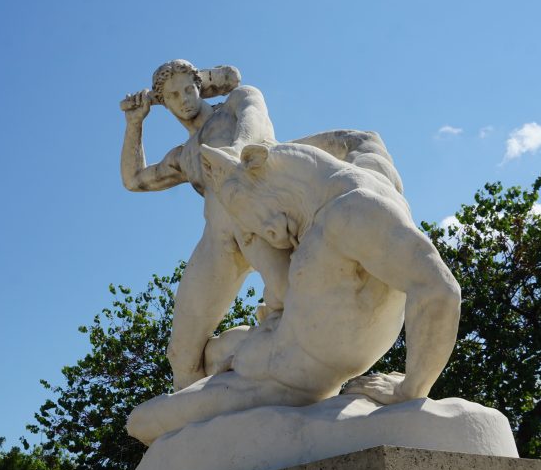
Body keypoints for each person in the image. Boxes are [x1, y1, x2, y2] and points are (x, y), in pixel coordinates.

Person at [125, 142, 461, 444]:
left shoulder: (351, 213)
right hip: (270, 347)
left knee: (142, 422)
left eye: (256, 215)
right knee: (210, 353)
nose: (270, 233)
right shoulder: (367, 176)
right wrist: (273, 151)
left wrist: (411, 389)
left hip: (280, 382)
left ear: (258, 168)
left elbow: (438, 290)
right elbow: (361, 139)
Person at [121, 60, 404, 391]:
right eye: (173, 96)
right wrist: (134, 124)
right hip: (221, 243)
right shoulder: (183, 156)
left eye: (188, 89)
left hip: (262, 210)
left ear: (200, 86)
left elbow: (253, 120)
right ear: (164, 103)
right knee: (182, 356)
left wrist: (237, 157)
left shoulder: (237, 100)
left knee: (302, 316)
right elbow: (135, 179)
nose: (184, 99)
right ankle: (202, 427)